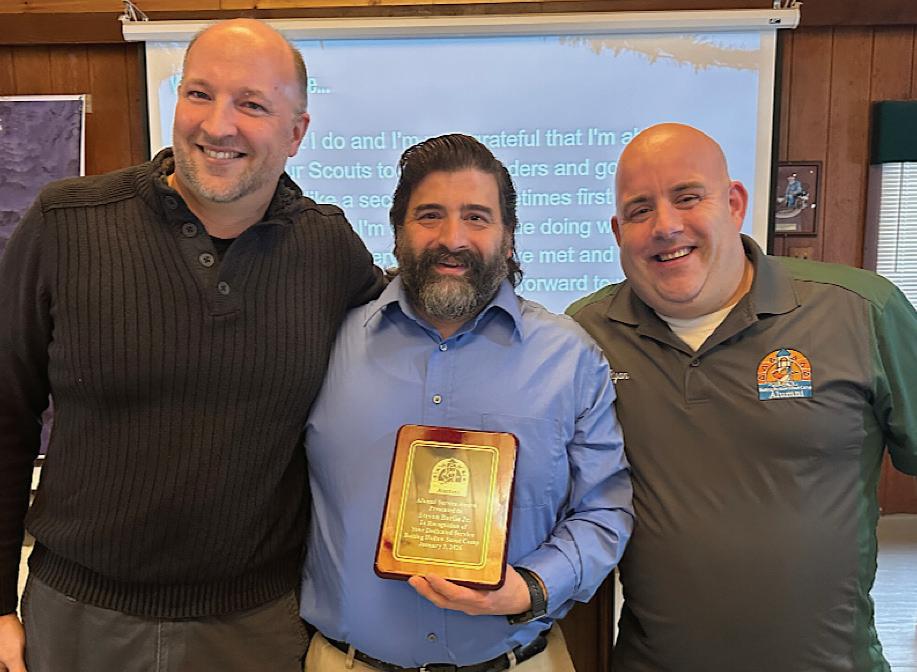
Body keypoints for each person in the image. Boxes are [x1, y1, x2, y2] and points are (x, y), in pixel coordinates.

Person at [0, 18, 382, 672]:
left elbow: (416, 336)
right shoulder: (66, 224)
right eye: (199, 93)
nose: (217, 124)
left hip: (256, 627)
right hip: (76, 618)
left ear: (296, 133)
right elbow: (5, 414)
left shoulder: (328, 247)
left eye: (252, 104)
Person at [568, 123, 917, 672]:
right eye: (640, 210)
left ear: (734, 204)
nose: (666, 226)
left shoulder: (860, 310)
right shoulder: (585, 335)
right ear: (618, 231)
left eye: (688, 197)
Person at [301, 134, 634, 671]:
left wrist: (532, 587)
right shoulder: (327, 344)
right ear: (398, 231)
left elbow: (605, 510)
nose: (452, 238)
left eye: (476, 217)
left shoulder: (570, 359)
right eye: (429, 215)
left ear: (508, 238)